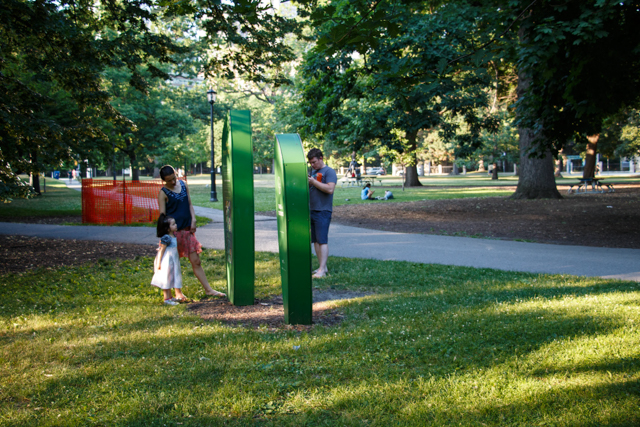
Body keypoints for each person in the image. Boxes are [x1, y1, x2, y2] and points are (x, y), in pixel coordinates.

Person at [157, 165, 226, 298]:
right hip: (173, 234)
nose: (173, 182)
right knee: (172, 264)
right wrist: (166, 236)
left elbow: (189, 203)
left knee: (196, 261)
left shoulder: (183, 185)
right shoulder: (163, 193)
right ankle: (176, 293)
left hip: (187, 231)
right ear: (163, 181)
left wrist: (193, 219)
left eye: (174, 178)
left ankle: (208, 289)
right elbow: (162, 217)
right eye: (169, 180)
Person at [307, 148, 337, 278]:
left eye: (314, 162)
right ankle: (322, 267)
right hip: (312, 209)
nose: (312, 165)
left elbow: (330, 189)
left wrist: (314, 181)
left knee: (322, 240)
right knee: (315, 240)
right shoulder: (313, 172)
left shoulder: (329, 171)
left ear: (321, 158)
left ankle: (322, 271)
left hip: (323, 210)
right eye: (311, 163)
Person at [151, 214, 188, 305]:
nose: (176, 225)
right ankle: (166, 299)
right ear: (168, 228)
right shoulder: (166, 238)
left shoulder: (173, 236)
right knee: (166, 279)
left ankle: (170, 297)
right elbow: (161, 251)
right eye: (173, 224)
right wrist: (158, 263)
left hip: (173, 262)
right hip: (167, 262)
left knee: (171, 278)